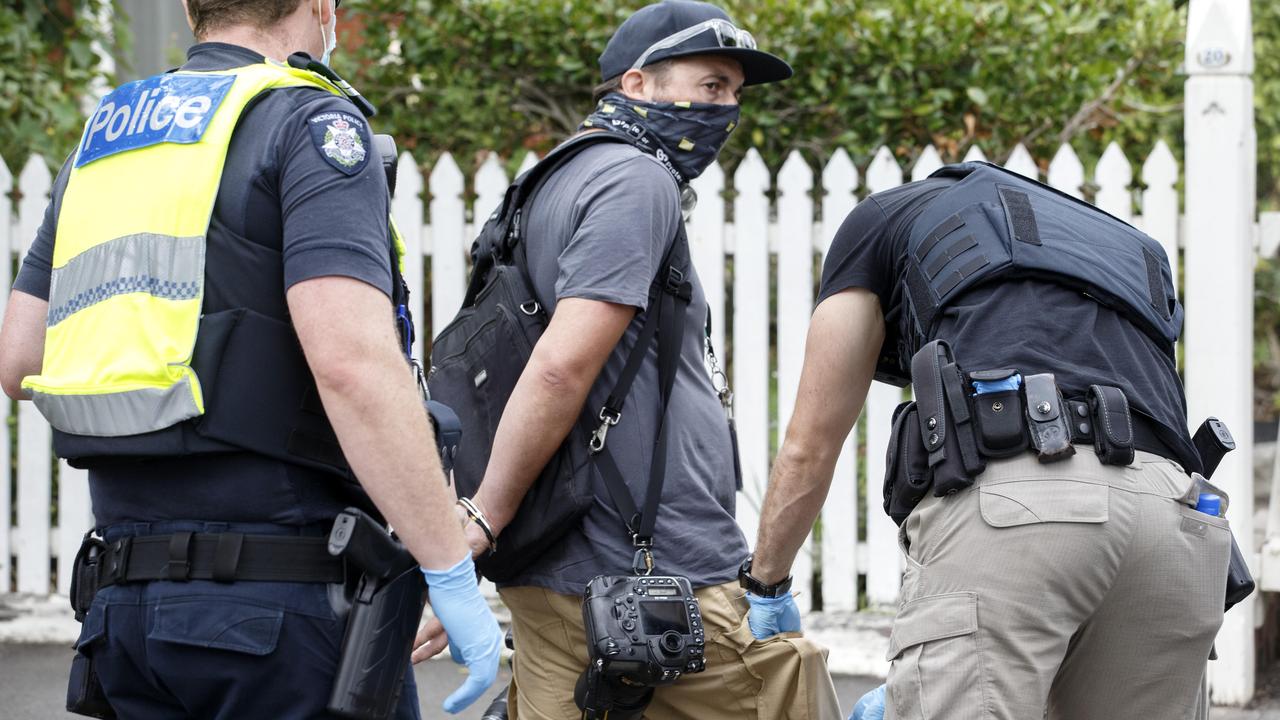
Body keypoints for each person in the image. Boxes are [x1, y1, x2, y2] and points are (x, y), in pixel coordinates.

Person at [0, 1, 502, 717]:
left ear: (189, 8)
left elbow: (20, 359)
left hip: (121, 612)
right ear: (321, 5)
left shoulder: (104, 143)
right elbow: (351, 364)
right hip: (276, 612)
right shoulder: (310, 123)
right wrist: (448, 570)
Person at [410, 2, 838, 718]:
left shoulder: (547, 183)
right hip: (652, 568)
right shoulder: (635, 181)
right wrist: (481, 520)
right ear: (636, 85)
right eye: (710, 86)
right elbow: (558, 366)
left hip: (558, 564)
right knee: (783, 693)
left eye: (734, 92)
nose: (726, 109)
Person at [744, 162, 1231, 719]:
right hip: (1179, 517)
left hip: (1022, 501)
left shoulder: (882, 218)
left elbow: (811, 445)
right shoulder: (1130, 246)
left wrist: (766, 585)